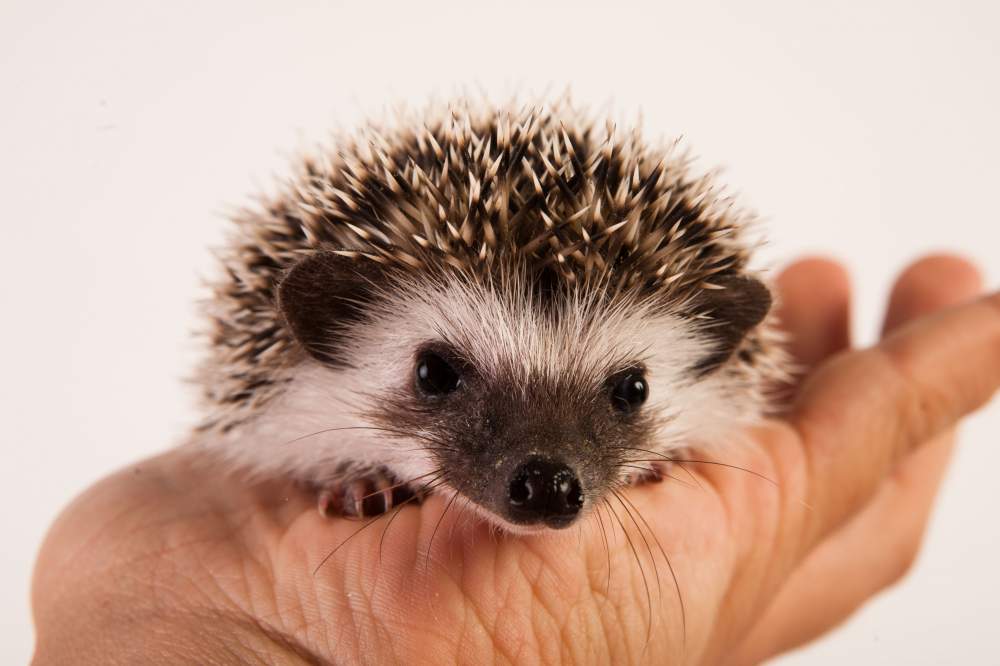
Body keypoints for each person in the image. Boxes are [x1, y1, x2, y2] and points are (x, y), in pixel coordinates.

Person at [31, 255, 1000, 664]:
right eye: (444, 377)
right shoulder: (298, 425)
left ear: (701, 362)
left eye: (623, 396)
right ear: (326, 334)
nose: (546, 469)